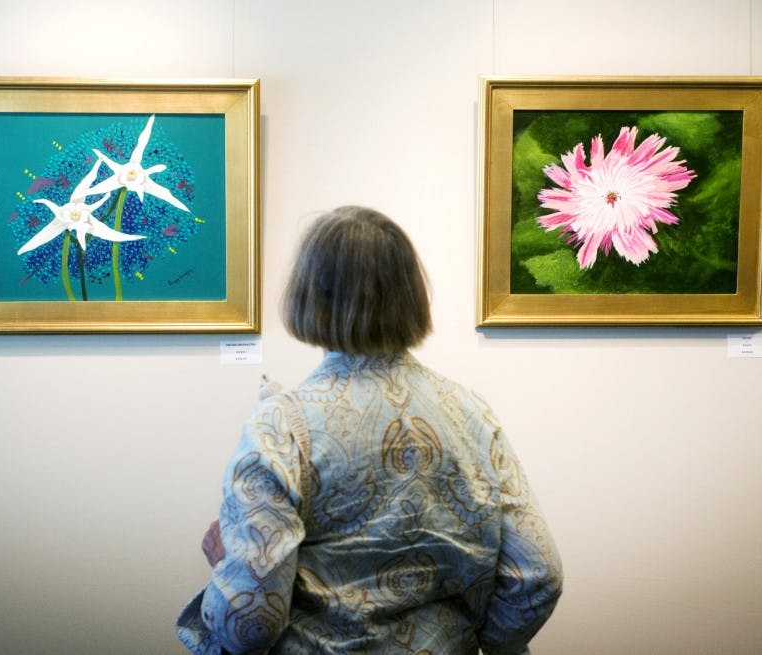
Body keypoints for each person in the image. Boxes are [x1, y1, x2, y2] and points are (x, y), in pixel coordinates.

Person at [176, 206, 562, 654]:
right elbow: (537, 575)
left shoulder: (282, 428)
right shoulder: (471, 413)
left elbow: (250, 625)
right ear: (411, 295)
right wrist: (479, 643)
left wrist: (225, 561)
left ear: (308, 296)